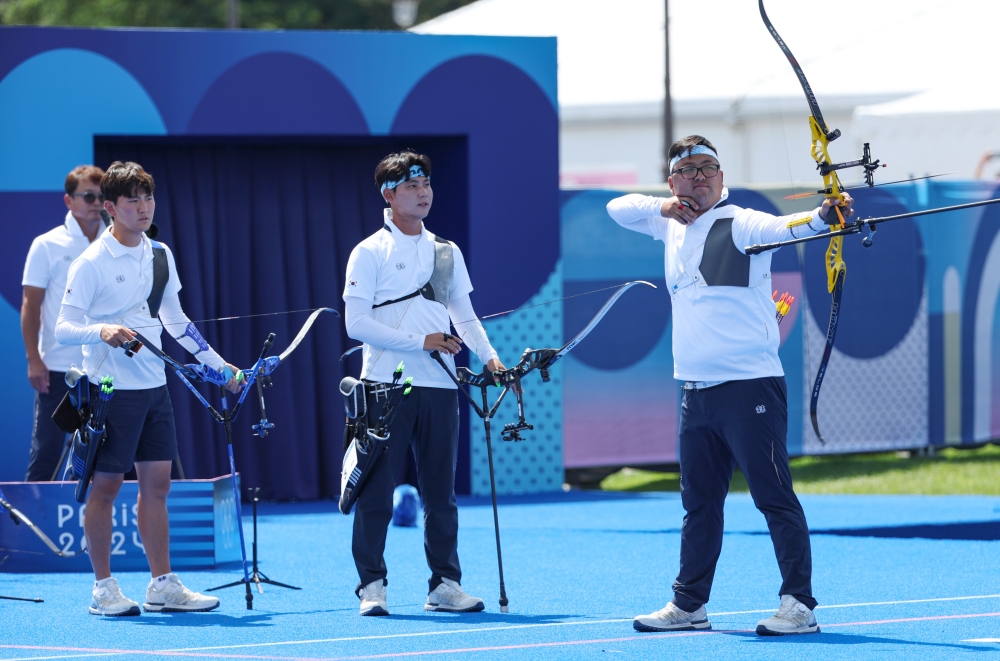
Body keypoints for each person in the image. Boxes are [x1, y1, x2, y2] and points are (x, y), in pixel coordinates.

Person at [607, 136, 855, 636]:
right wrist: (664, 207)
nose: (700, 176)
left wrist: (825, 217)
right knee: (698, 503)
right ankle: (690, 605)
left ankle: (798, 604)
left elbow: (790, 225)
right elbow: (617, 207)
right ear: (672, 180)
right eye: (689, 169)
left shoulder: (741, 223)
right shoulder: (668, 223)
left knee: (773, 496)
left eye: (709, 168)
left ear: (723, 178)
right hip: (695, 391)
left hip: (749, 387)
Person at [55, 161, 242, 616]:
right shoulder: (91, 262)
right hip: (109, 392)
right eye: (132, 200)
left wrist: (220, 368)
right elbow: (63, 328)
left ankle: (162, 584)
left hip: (155, 387)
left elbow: (175, 321)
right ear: (111, 208)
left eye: (148, 198)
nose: (143, 207)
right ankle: (103, 589)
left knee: (157, 486)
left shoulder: (160, 254)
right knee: (105, 489)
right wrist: (102, 331)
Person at [343, 150, 507, 616]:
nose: (423, 193)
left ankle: (445, 584)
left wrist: (491, 359)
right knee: (376, 492)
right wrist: (422, 341)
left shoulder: (445, 251)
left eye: (427, 184)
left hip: (439, 386)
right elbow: (356, 324)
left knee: (441, 494)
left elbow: (465, 316)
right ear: (388, 194)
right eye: (412, 186)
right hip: (384, 386)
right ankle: (371, 586)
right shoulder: (369, 250)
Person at [21, 165, 107, 481]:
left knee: (106, 455)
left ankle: (93, 524)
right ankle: (33, 528)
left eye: (101, 196)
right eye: (88, 196)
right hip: (58, 368)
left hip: (103, 367)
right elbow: (31, 306)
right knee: (47, 450)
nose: (96, 202)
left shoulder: (115, 244)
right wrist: (34, 360)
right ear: (69, 201)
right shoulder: (46, 245)